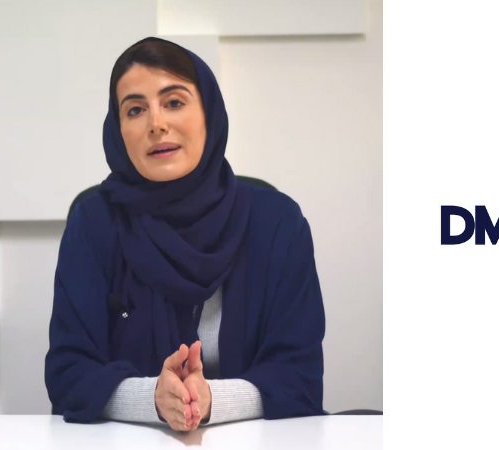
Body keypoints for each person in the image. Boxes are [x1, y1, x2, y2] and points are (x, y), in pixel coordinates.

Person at [44, 37, 326, 431]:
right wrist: (154, 399)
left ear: (209, 112)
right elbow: (68, 374)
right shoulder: (94, 224)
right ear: (118, 129)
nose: (156, 124)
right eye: (135, 109)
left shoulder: (278, 224)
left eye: (174, 102)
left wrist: (209, 401)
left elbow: (299, 378)